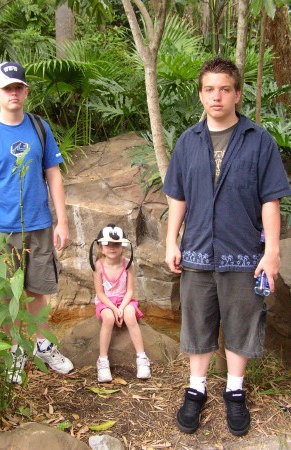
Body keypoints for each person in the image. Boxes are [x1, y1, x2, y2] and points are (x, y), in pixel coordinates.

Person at [163, 57, 291, 436]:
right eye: (208, 89)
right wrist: (172, 240)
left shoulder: (259, 141)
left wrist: (272, 252)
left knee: (241, 321)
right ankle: (196, 388)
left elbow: (271, 200)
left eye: (224, 89)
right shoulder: (188, 141)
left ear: (237, 94)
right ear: (200, 94)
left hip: (244, 254)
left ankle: (235, 392)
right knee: (198, 321)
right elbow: (178, 197)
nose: (216, 97)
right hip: (198, 251)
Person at [0, 62, 74, 384]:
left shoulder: (39, 127)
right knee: (7, 294)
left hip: (38, 224)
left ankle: (42, 344)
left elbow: (53, 174)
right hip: (2, 229)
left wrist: (62, 221)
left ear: (25, 91)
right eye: (7, 88)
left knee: (38, 289)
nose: (14, 93)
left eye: (19, 87)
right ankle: (14, 350)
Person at [90, 224, 151, 382]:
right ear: (101, 247)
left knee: (130, 315)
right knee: (109, 318)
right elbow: (100, 293)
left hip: (124, 300)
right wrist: (113, 309)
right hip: (106, 302)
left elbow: (130, 290)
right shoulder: (98, 266)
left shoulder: (128, 264)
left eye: (116, 244)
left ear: (123, 246)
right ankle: (102, 361)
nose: (112, 247)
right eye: (108, 244)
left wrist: (122, 308)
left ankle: (142, 358)